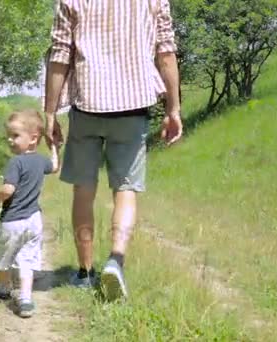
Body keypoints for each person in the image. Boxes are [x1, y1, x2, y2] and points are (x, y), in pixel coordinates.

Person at [43, 0, 183, 301]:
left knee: (84, 190)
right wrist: (174, 109)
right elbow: (166, 54)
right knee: (126, 189)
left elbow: (59, 57)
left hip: (87, 107)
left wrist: (50, 113)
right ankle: (116, 260)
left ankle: (84, 272)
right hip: (133, 109)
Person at [0, 109, 59, 318]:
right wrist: (54, 146)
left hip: (12, 221)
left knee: (3, 260)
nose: (10, 140)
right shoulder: (40, 160)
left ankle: (3, 289)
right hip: (34, 220)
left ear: (33, 138)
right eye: (8, 136)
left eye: (15, 136)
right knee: (27, 260)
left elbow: (8, 190)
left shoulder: (15, 162)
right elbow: (54, 167)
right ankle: (26, 300)